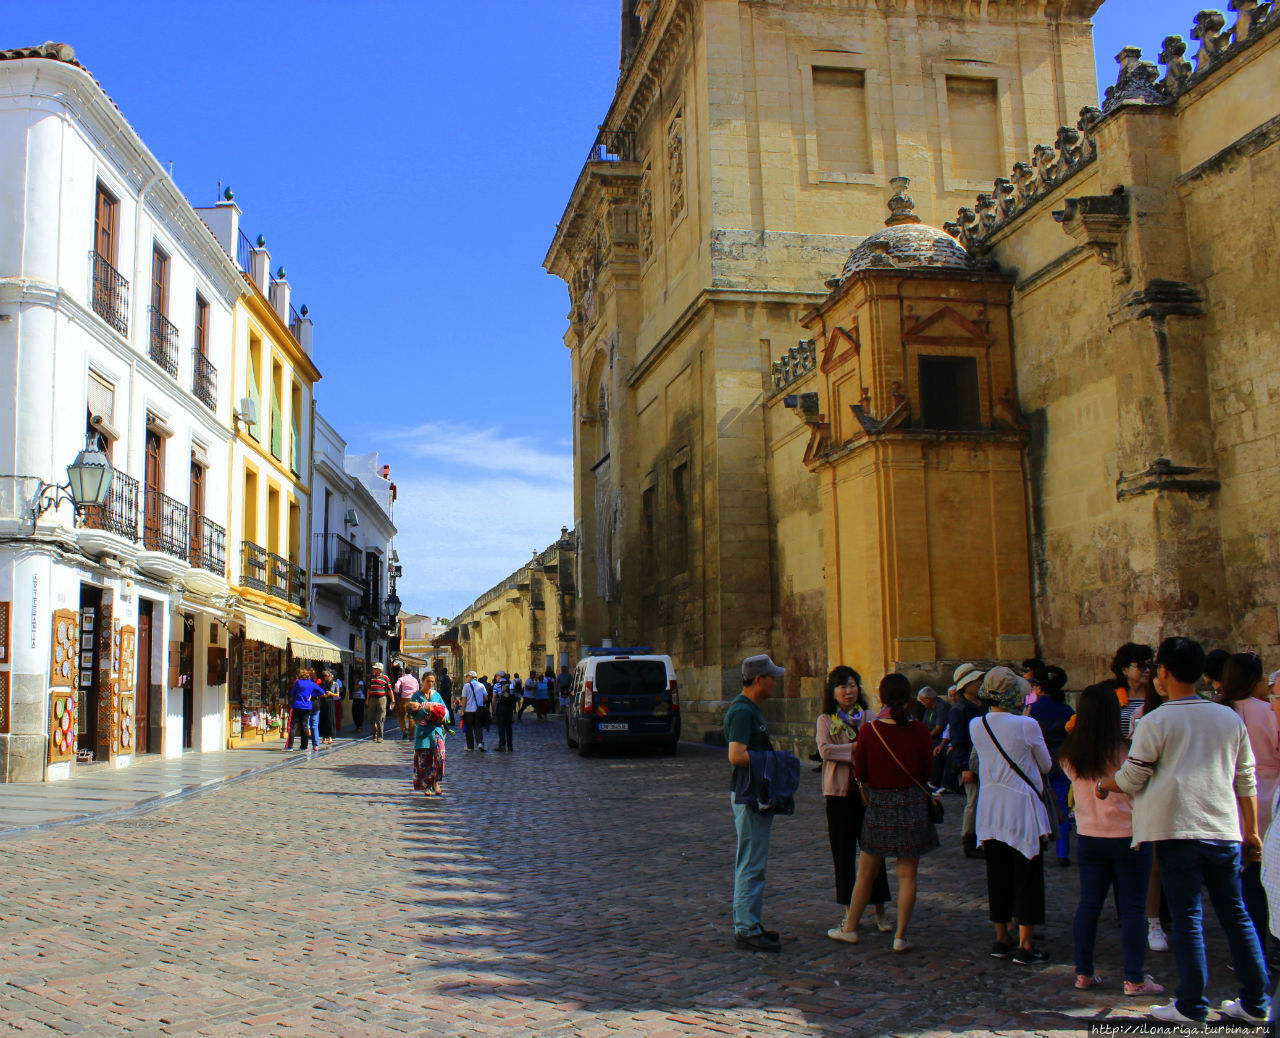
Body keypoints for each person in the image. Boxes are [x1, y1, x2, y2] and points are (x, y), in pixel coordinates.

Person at [1100, 636, 1267, 1027]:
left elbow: (1133, 775)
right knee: (1236, 914)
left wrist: (1107, 784)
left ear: (1165, 673)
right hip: (1223, 829)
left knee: (1189, 917)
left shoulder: (1156, 720)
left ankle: (1191, 1004)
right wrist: (1252, 831)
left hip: (1178, 831)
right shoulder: (1228, 717)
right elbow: (1246, 778)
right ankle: (1256, 1002)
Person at [1060, 684, 1163, 995]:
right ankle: (1134, 977)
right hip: (1128, 834)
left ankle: (1083, 972)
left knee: (1089, 905)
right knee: (1132, 908)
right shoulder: (1126, 750)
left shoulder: (1070, 753)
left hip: (1090, 835)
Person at [828, 672, 937, 952]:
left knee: (866, 872)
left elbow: (861, 773)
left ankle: (850, 927)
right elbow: (928, 772)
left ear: (882, 698)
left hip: (879, 806)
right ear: (910, 698)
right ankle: (900, 936)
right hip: (912, 804)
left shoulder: (870, 731)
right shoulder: (921, 731)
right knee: (907, 875)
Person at [970, 666, 1053, 965]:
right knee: (1027, 875)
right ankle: (1026, 944)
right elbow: (1045, 765)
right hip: (1021, 805)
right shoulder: (1026, 725)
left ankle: (1001, 936)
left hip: (991, 805)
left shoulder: (976, 724)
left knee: (999, 874)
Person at [816, 666, 892, 933]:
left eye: (852, 685)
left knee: (874, 852)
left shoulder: (869, 717)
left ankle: (881, 910)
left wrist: (847, 750)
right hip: (838, 795)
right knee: (843, 853)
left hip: (867, 795)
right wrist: (857, 748)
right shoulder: (826, 719)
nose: (848, 691)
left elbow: (877, 748)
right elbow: (825, 751)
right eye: (842, 687)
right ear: (833, 692)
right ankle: (850, 912)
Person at [1218, 651, 1280, 961]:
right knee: (1265, 875)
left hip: (1228, 800)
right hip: (1267, 798)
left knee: (1240, 880)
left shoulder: (1219, 711)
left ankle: (1247, 948)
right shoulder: (1268, 711)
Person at [725, 654, 786, 953]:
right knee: (750, 862)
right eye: (772, 677)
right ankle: (746, 928)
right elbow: (736, 755)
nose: (775, 682)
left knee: (755, 861)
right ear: (759, 680)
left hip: (754, 792)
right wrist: (773, 760)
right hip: (749, 793)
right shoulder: (742, 712)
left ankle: (751, 922)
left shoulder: (751, 709)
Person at [1028, 666, 1074, 866]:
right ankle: (1063, 853)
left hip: (1039, 763)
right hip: (1062, 762)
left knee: (1036, 805)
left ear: (1038, 688)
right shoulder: (1067, 710)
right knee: (1061, 805)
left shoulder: (1033, 710)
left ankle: (1036, 846)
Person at [950, 663, 988, 859]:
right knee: (973, 801)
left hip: (987, 758)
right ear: (967, 685)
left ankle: (983, 838)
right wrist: (964, 767)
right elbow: (959, 740)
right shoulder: (959, 709)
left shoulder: (983, 704)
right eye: (976, 681)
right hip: (971, 760)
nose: (980, 683)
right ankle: (969, 839)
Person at [408, 672, 448, 797]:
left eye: (432, 682)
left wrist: (444, 718)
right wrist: (425, 710)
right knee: (425, 760)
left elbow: (446, 710)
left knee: (439, 758)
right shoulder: (416, 696)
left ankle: (436, 782)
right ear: (423, 681)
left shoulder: (437, 695)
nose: (430, 684)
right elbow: (413, 715)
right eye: (428, 681)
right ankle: (427, 785)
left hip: (436, 731)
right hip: (423, 733)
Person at [1108, 643, 1154, 741]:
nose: (1147, 670)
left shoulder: (1156, 697)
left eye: (1150, 665)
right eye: (1141, 665)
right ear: (1125, 670)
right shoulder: (1113, 697)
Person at [917, 686, 948, 792]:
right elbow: (923, 724)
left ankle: (934, 782)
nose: (921, 703)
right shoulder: (928, 708)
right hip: (930, 736)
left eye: (922, 700)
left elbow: (940, 728)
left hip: (940, 738)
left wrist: (925, 738)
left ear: (927, 699)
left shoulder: (941, 706)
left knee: (936, 751)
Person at [288, 667, 321, 751]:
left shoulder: (298, 682)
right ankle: (304, 746)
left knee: (293, 726)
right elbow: (322, 691)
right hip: (307, 706)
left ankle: (290, 746)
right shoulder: (311, 683)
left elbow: (292, 692)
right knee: (304, 726)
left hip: (297, 705)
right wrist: (311, 695)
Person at [459, 670, 488, 751]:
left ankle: (470, 746)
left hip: (468, 711)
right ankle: (479, 743)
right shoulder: (481, 685)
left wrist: (462, 710)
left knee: (468, 729)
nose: (466, 678)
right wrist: (480, 702)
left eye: (467, 676)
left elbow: (464, 699)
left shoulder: (466, 686)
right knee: (478, 728)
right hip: (478, 710)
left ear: (471, 677)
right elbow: (486, 698)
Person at [366, 661, 393, 743]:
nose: (373, 670)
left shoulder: (385, 678)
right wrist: (367, 699)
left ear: (380, 670)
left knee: (380, 718)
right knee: (371, 718)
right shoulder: (371, 678)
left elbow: (390, 690)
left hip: (382, 699)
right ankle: (374, 734)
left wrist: (393, 700)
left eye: (375, 668)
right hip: (372, 699)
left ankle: (380, 736)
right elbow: (369, 689)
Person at [493, 670, 518, 751]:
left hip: (501, 707)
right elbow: (512, 698)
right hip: (509, 707)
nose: (496, 678)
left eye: (497, 676)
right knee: (508, 727)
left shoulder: (496, 685)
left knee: (501, 727)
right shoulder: (510, 684)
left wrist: (493, 710)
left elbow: (494, 698)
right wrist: (514, 710)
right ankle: (510, 746)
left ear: (500, 676)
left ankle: (502, 746)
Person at [394, 668, 420, 740]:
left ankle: (404, 730)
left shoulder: (402, 678)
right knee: (411, 717)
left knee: (401, 715)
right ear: (412, 672)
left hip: (404, 699)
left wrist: (397, 693)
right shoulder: (415, 680)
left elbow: (396, 686)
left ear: (405, 671)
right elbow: (417, 690)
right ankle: (411, 735)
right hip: (412, 699)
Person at [317, 669, 338, 745]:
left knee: (330, 719)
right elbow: (319, 693)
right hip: (323, 702)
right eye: (323, 676)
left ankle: (330, 737)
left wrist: (330, 694)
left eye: (325, 676)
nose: (324, 677)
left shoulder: (334, 684)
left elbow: (337, 694)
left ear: (329, 676)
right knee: (323, 719)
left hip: (330, 702)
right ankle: (323, 737)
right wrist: (323, 695)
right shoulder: (322, 684)